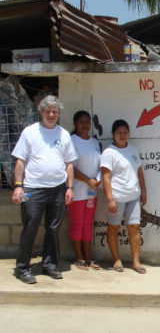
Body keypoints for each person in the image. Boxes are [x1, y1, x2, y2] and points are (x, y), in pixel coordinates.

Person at [11, 95, 78, 284]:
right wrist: (18, 186)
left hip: (58, 189)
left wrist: (70, 188)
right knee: (30, 227)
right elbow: (20, 161)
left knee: (53, 229)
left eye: (55, 111)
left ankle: (49, 264)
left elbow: (69, 164)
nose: (51, 114)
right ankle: (22, 268)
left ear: (59, 113)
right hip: (33, 189)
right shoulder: (30, 132)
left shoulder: (64, 134)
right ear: (40, 112)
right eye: (47, 111)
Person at [100, 119, 147, 274]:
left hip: (133, 195)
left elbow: (139, 172)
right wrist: (110, 200)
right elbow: (106, 178)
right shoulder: (109, 152)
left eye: (125, 132)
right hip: (117, 197)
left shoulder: (133, 149)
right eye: (119, 132)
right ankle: (116, 259)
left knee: (134, 227)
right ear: (113, 135)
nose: (122, 135)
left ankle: (135, 262)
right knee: (113, 228)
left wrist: (144, 192)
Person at [68, 111, 101, 270]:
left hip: (92, 192)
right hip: (77, 191)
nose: (85, 125)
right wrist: (88, 180)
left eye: (88, 122)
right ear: (75, 124)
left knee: (88, 224)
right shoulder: (71, 141)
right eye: (82, 122)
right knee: (78, 223)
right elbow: (69, 168)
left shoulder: (94, 142)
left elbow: (100, 164)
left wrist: (97, 180)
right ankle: (79, 257)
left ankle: (88, 258)